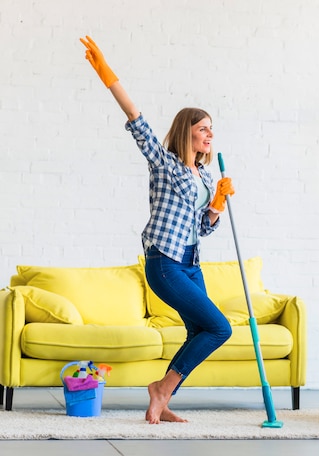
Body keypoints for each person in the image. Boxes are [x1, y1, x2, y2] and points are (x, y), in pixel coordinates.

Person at [80, 36, 235, 424]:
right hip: (165, 263)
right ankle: (161, 390)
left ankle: (162, 400)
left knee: (199, 329)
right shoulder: (165, 163)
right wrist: (107, 74)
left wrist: (216, 206)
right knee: (219, 328)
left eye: (212, 129)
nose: (210, 134)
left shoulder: (205, 174)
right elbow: (137, 119)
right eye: (203, 128)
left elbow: (200, 226)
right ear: (188, 132)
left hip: (190, 263)